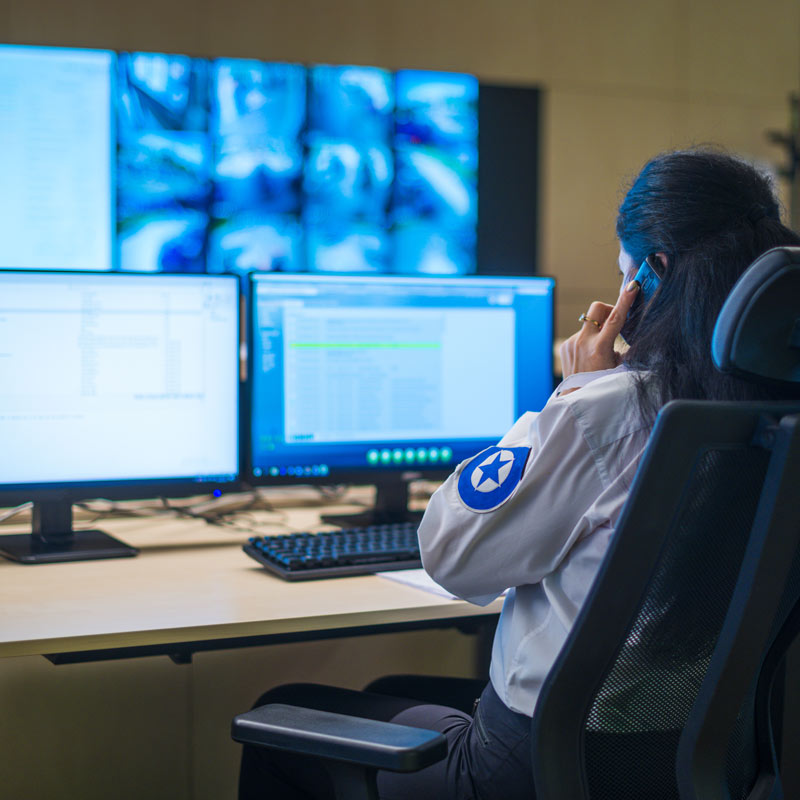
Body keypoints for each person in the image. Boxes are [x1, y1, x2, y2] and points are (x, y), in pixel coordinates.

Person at [238, 148, 800, 800]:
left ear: (655, 275)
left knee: (285, 706)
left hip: (534, 770)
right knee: (392, 696)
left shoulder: (609, 408)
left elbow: (453, 558)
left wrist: (573, 392)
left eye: (624, 276)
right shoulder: (775, 421)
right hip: (692, 762)